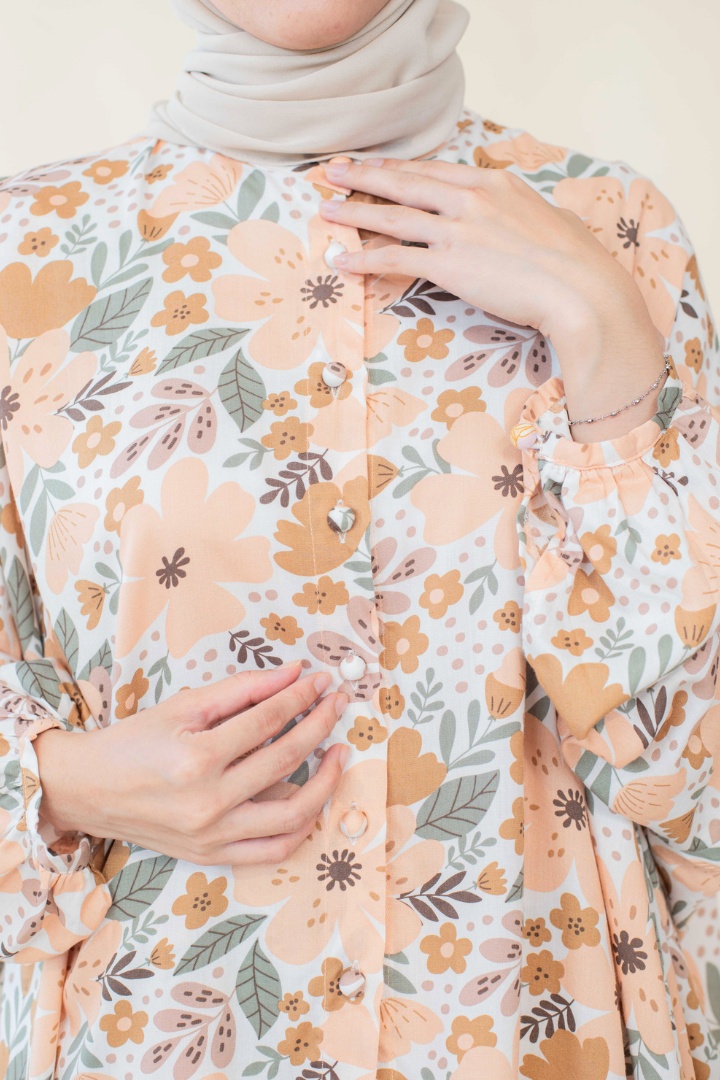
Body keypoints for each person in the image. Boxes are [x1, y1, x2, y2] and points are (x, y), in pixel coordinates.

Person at [0, 0, 717, 1076]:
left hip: (533, 1034)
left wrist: (603, 333)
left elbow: (697, 789)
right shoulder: (26, 249)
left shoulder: (615, 230)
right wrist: (64, 784)